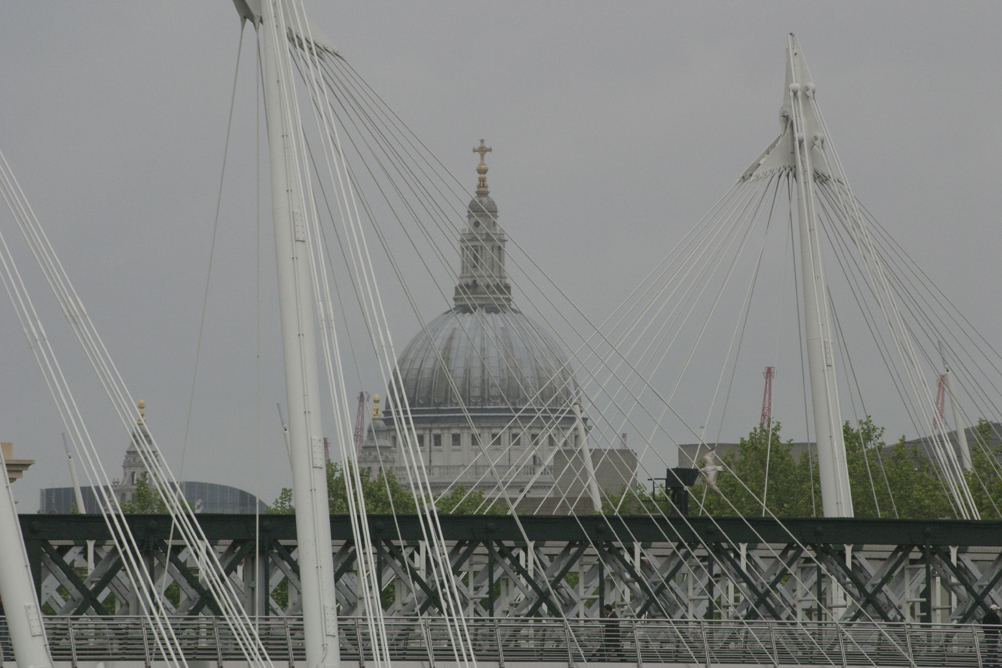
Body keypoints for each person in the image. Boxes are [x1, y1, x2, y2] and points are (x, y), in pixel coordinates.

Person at [984, 604, 1001, 668]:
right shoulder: (996, 617)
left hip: (987, 635)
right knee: (992, 650)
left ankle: (996, 664)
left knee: (993, 650)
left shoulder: (985, 617)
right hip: (993, 635)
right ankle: (986, 664)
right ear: (995, 610)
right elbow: (999, 626)